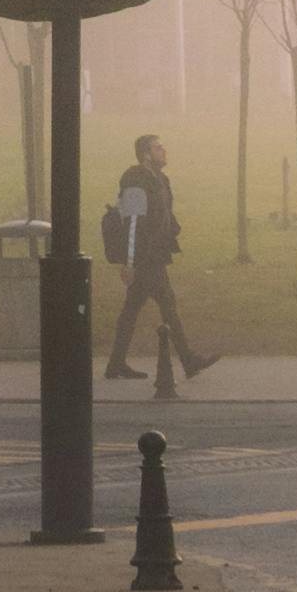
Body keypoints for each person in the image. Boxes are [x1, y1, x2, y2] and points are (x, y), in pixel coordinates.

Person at [102, 126, 211, 394]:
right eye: (158, 147)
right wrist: (129, 262)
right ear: (146, 154)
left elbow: (162, 216)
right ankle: (188, 359)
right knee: (167, 304)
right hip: (144, 256)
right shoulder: (136, 179)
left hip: (155, 253)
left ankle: (116, 363)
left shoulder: (160, 179)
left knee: (133, 308)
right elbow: (132, 221)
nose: (164, 151)